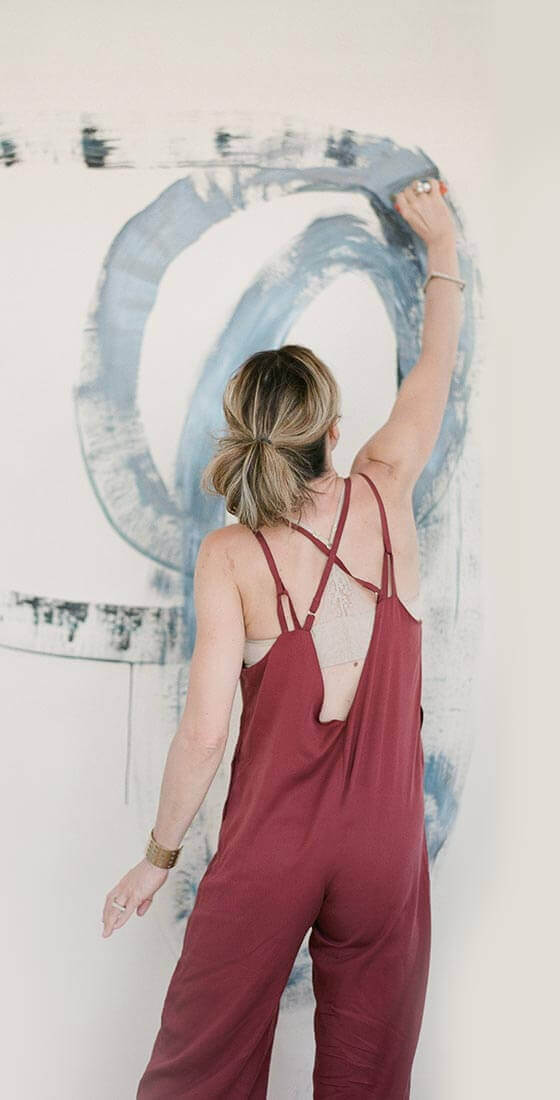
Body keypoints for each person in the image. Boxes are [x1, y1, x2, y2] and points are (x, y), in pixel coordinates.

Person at [102, 176, 463, 1098]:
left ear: (246, 436)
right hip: (385, 846)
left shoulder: (232, 555)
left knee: (199, 1073)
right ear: (333, 429)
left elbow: (204, 735)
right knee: (368, 1079)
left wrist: (157, 858)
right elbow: (434, 370)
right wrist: (442, 249)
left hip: (271, 849)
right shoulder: (387, 486)